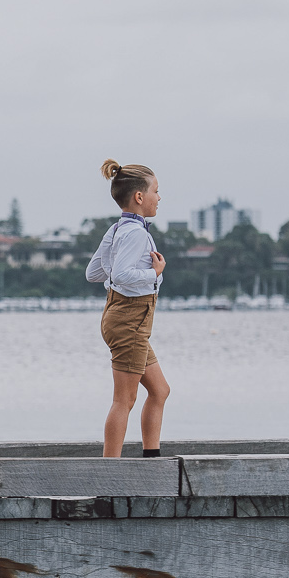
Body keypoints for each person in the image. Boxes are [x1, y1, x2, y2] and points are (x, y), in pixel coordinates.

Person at [85, 159, 170, 459]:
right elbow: (120, 275)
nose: (159, 198)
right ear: (139, 197)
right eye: (156, 191)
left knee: (160, 390)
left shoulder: (118, 229)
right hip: (130, 320)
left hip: (124, 317)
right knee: (124, 399)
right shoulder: (135, 233)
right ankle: (110, 471)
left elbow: (94, 272)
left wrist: (117, 271)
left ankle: (152, 458)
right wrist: (154, 273)